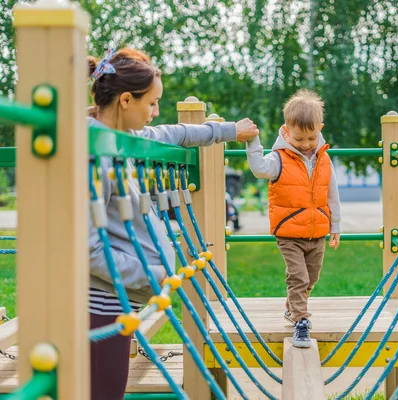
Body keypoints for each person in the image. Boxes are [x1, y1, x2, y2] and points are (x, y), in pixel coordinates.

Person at [87, 47, 258, 400]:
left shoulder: (124, 139)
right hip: (100, 306)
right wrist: (151, 275)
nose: (155, 112)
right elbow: (85, 247)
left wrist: (227, 130)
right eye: (151, 103)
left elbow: (175, 134)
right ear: (125, 101)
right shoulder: (97, 156)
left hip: (117, 303)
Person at [245, 89, 341, 348]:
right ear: (286, 131)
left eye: (312, 137)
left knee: (312, 277)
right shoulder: (279, 159)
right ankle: (300, 320)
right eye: (299, 138)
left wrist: (336, 225)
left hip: (317, 231)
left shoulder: (324, 159)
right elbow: (258, 168)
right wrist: (253, 143)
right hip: (289, 233)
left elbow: (332, 194)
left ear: (320, 128)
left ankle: (291, 308)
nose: (306, 143)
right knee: (298, 277)